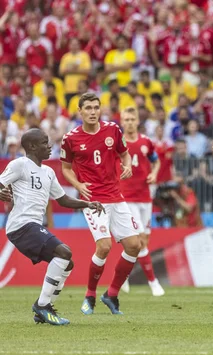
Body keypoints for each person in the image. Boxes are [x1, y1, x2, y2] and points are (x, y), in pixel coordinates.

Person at [0, 129, 104, 325]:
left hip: (32, 225)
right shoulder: (20, 164)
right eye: (44, 143)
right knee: (63, 252)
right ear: (31, 146)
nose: (49, 147)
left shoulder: (48, 172)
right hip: (20, 225)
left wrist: (87, 204)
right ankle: (42, 306)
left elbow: (62, 199)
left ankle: (44, 307)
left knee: (67, 262)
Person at [60, 93, 142, 315]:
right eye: (88, 108)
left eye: (96, 107)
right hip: (94, 201)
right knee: (104, 246)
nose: (93, 112)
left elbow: (124, 155)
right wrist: (78, 185)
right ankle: (90, 295)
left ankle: (112, 294)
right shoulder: (70, 138)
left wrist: (128, 166)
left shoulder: (113, 130)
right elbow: (65, 168)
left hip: (116, 196)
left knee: (135, 245)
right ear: (80, 111)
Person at [117, 107, 165, 297]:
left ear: (137, 121)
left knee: (142, 240)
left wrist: (154, 173)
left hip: (145, 197)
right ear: (121, 121)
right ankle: (154, 283)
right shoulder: (117, 144)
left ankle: (123, 276)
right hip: (127, 198)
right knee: (140, 242)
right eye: (126, 119)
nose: (129, 122)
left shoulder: (146, 142)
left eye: (132, 119)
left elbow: (157, 161)